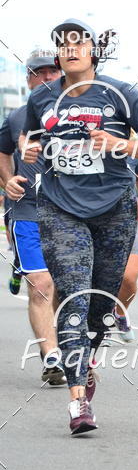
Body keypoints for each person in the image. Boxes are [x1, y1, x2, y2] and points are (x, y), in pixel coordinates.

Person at [19, 19, 138, 435]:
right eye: (62, 44)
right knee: (75, 297)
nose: (70, 49)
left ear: (92, 52)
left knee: (101, 305)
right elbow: (25, 143)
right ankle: (78, 401)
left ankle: (88, 358)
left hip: (113, 210)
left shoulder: (123, 95)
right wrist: (25, 155)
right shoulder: (43, 97)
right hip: (60, 208)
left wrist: (121, 143)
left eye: (78, 42)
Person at [0, 49, 66, 385]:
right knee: (41, 286)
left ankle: (75, 347)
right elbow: (1, 154)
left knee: (67, 288)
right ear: (28, 79)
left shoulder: (78, 116)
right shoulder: (14, 119)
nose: (45, 79)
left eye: (51, 73)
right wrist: (7, 179)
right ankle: (51, 355)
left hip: (70, 215)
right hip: (27, 212)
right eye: (37, 74)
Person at [112, 156, 138, 343]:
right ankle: (95, 323)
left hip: (126, 218)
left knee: (129, 278)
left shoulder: (131, 145)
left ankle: (119, 313)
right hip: (89, 217)